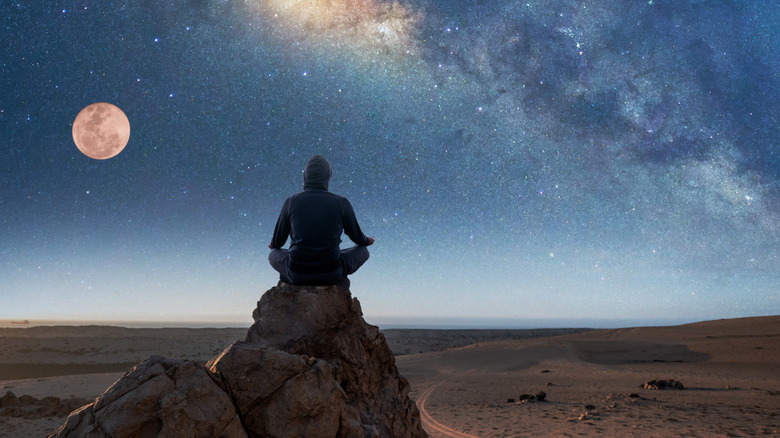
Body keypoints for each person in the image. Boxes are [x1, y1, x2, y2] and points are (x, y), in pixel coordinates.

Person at [268, 155, 375, 288]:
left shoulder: (292, 202)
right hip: (332, 273)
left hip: (297, 272)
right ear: (328, 177)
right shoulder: (341, 203)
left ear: (305, 177)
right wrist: (367, 240)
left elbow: (277, 243)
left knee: (273, 254)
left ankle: (290, 278)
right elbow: (358, 239)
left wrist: (273, 244)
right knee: (363, 251)